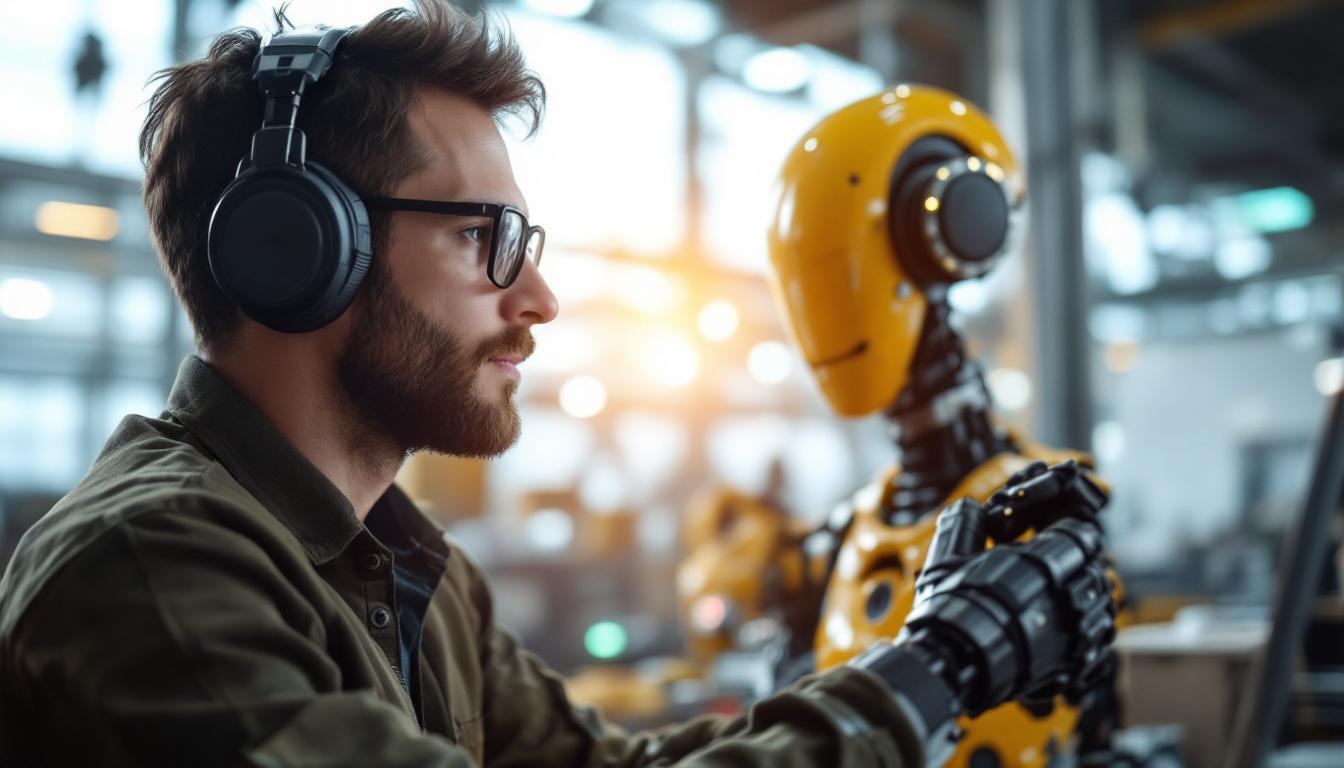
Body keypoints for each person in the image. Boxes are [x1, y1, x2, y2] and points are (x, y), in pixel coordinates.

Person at [0, 3, 1115, 766]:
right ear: (297, 250)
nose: (537, 296)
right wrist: (934, 672)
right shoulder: (149, 566)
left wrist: (933, 656)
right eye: (485, 237)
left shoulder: (409, 571)